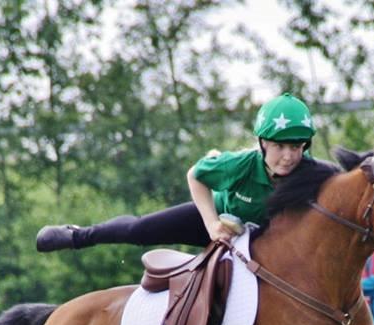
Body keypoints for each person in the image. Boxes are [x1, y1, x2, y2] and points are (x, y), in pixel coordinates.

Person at [35, 93, 316, 252]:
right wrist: (211, 226)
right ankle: (80, 235)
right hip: (218, 222)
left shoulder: (311, 174)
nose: (289, 156)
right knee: (140, 230)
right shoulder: (240, 164)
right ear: (263, 142)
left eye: (297, 146)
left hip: (264, 245)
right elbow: (195, 175)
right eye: (280, 146)